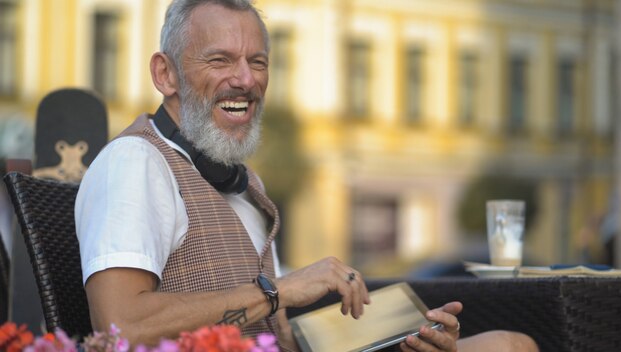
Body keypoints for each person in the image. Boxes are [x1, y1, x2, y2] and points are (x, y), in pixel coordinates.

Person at [75, 1, 538, 351]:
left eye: (257, 62)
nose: (245, 80)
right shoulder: (136, 162)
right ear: (166, 74)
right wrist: (277, 291)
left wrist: (397, 337)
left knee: (511, 344)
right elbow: (121, 326)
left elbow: (269, 333)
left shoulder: (242, 179)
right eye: (220, 60)